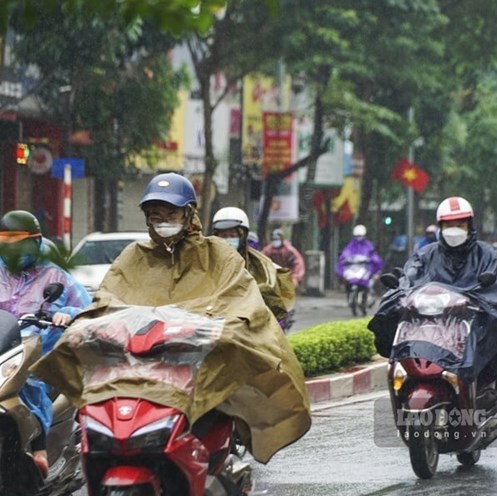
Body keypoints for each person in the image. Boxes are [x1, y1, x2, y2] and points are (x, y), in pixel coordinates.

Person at [31, 173, 311, 464]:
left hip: (195, 360)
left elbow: (240, 300)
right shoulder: (133, 255)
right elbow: (107, 300)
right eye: (155, 214)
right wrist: (86, 324)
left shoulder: (217, 254)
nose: (163, 220)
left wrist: (227, 328)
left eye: (171, 214)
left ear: (188, 213)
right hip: (138, 362)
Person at [0, 210, 91, 477]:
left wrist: (66, 313)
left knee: (29, 381)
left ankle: (38, 449)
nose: (12, 250)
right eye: (5, 244)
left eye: (19, 244)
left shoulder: (55, 277)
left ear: (35, 242)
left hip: (38, 355)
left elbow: (85, 308)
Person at [368, 196, 497, 383]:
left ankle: (482, 380)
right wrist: (401, 288)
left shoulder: (486, 254)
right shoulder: (425, 255)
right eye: (449, 225)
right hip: (430, 322)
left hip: (471, 321)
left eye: (460, 224)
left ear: (469, 225)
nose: (454, 230)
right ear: (440, 227)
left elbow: (496, 285)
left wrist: (480, 292)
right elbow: (411, 277)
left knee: (493, 325)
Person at [212, 207, 296, 328]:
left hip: (249, 323)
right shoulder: (207, 260)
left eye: (232, 235)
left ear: (242, 236)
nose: (228, 240)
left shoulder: (261, 264)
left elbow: (273, 294)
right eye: (224, 235)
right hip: (213, 322)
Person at [335, 224, 384, 315]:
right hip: (353, 268)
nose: (359, 238)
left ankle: (365, 301)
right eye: (357, 236)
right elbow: (345, 254)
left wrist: (372, 260)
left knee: (367, 284)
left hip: (364, 269)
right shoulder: (351, 245)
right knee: (346, 281)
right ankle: (351, 298)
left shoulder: (368, 245)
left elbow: (373, 256)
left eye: (360, 236)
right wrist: (344, 260)